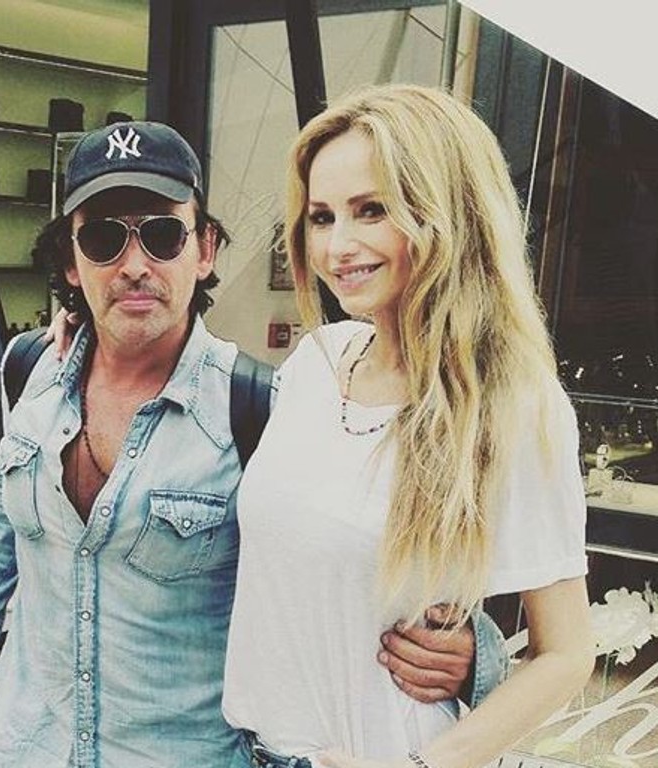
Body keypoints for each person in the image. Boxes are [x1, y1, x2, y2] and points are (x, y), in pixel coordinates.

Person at [0, 120, 504, 768]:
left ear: (205, 249)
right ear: (71, 263)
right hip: (25, 746)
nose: (135, 266)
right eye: (103, 239)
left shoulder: (262, 406)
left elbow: (347, 551)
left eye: (162, 235)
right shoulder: (30, 368)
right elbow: (7, 508)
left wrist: (474, 652)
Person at [221, 85, 593, 768]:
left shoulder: (512, 404)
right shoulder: (315, 362)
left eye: (372, 210)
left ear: (446, 210)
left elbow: (566, 653)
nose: (338, 246)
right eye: (321, 217)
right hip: (247, 750)